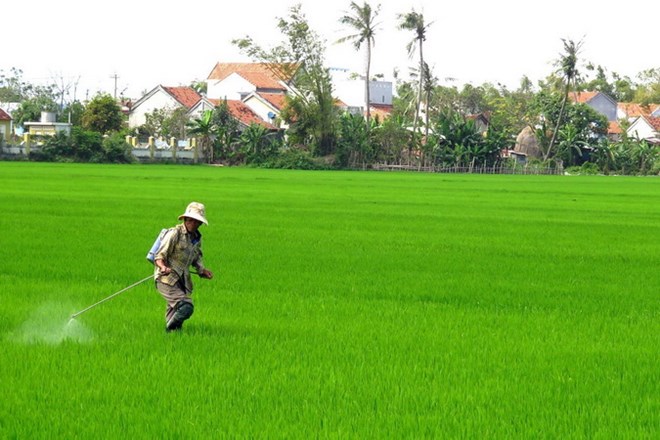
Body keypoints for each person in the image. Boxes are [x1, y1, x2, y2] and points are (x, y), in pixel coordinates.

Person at [153, 202, 214, 332]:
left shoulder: (196, 238)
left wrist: (202, 270)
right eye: (191, 220)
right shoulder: (174, 234)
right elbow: (159, 256)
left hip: (182, 281)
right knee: (186, 307)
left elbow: (196, 257)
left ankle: (172, 335)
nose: (194, 223)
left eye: (197, 221)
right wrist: (163, 267)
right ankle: (171, 330)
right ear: (186, 219)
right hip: (166, 279)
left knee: (175, 314)